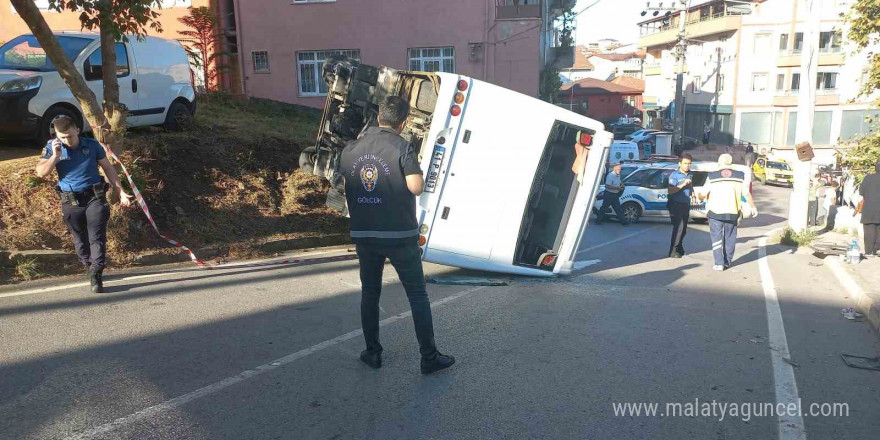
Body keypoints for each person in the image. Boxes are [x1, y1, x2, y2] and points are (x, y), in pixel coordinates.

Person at [341, 96, 455, 374]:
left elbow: (348, 186)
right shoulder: (402, 147)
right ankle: (428, 357)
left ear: (380, 117)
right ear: (402, 122)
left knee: (370, 292)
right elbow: (416, 187)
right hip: (399, 234)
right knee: (417, 294)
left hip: (365, 233)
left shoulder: (351, 149)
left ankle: (373, 352)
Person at [34, 116, 132, 293]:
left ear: (77, 130)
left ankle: (96, 273)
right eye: (62, 137)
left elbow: (108, 168)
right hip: (71, 201)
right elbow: (41, 173)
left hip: (94, 197)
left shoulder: (91, 145)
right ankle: (89, 266)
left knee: (97, 237)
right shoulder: (52, 147)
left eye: (69, 136)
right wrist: (55, 156)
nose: (66, 141)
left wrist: (121, 191)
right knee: (80, 240)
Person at [698, 154, 757, 271]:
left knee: (716, 238)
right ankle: (727, 261)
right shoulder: (740, 176)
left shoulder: (712, 176)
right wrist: (753, 207)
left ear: (719, 163)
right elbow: (746, 193)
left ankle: (719, 263)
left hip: (715, 212)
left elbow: (703, 194)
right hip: (732, 212)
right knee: (730, 237)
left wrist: (700, 196)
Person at [667, 154, 694, 258]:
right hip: (675, 204)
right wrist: (682, 184)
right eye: (685, 163)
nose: (687, 166)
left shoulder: (689, 174)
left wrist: (693, 194)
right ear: (680, 164)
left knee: (684, 229)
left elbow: (690, 186)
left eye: (689, 164)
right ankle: (673, 250)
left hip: (685, 204)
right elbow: (670, 190)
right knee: (679, 227)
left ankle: (679, 247)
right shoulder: (674, 175)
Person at [855, 159, 880, 257]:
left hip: (869, 209)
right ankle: (877, 250)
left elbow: (862, 193)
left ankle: (869, 252)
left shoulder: (868, 178)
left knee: (869, 231)